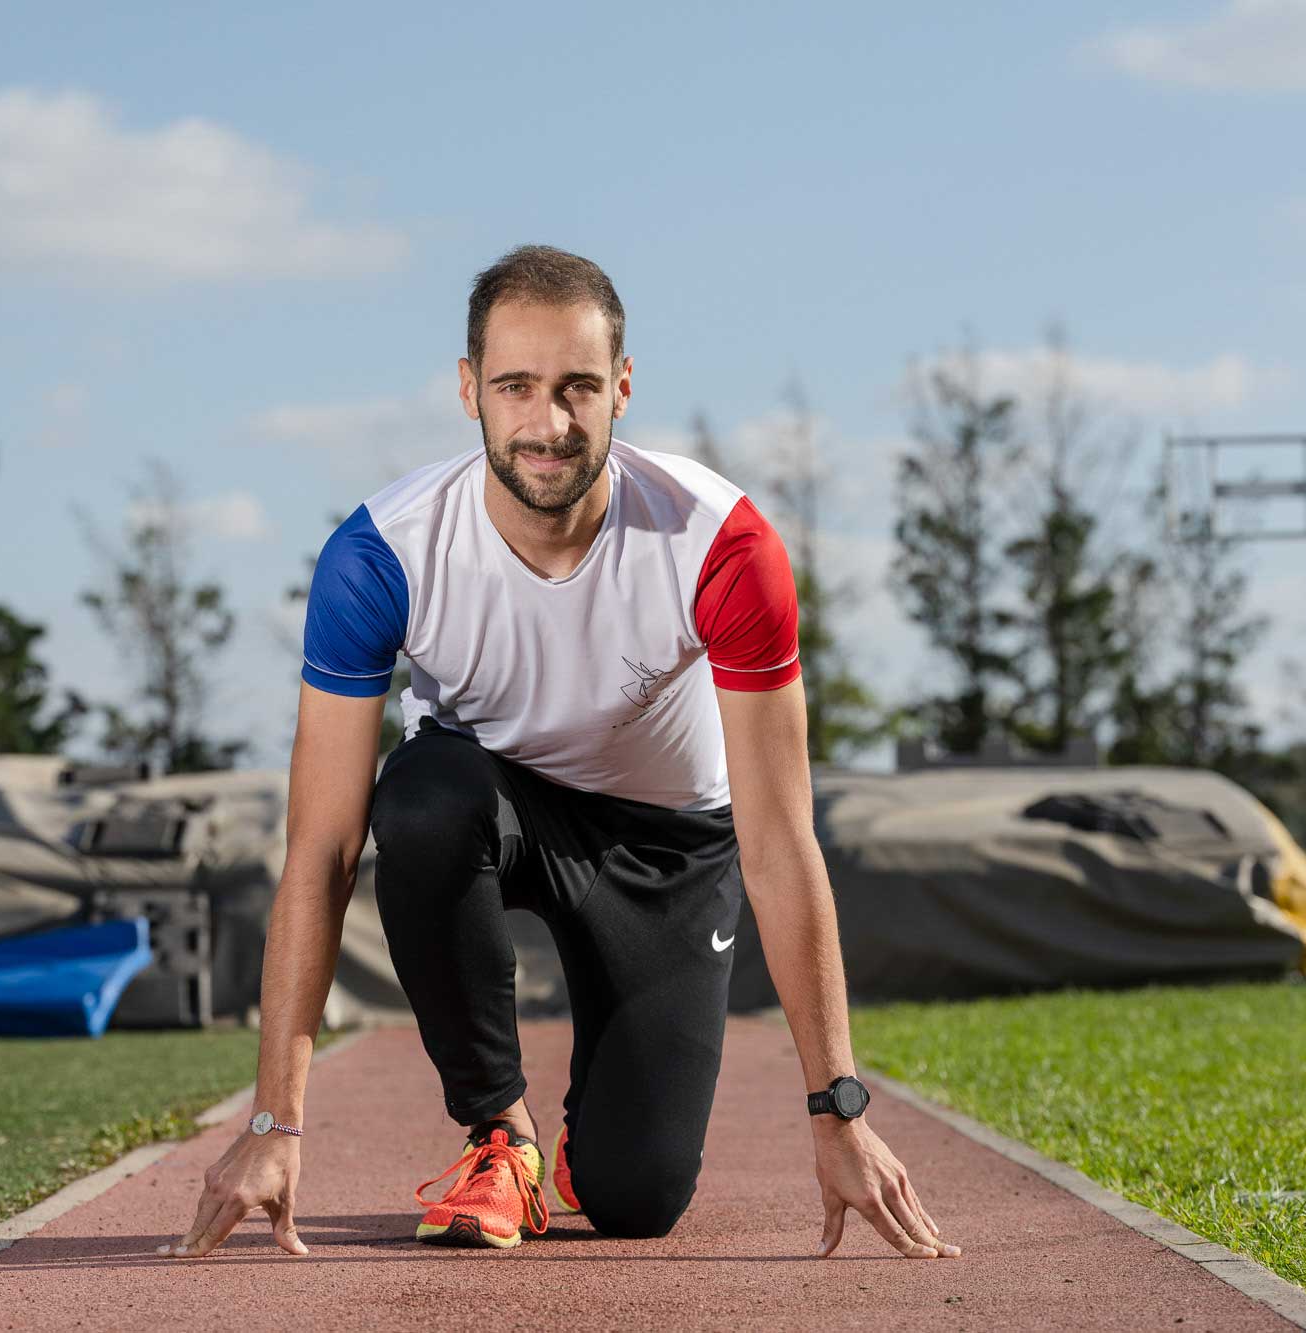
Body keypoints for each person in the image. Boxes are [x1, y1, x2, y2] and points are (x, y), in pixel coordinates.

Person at [159, 244, 962, 1261]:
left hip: (666, 846)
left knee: (637, 1198)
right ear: (468, 392)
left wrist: (836, 1106)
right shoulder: (382, 555)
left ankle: (589, 1159)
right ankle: (500, 1136)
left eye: (578, 387)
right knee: (416, 800)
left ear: (622, 388)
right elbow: (319, 848)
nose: (548, 423)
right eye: (516, 388)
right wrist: (274, 1121)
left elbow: (778, 841)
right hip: (485, 805)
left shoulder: (720, 546)